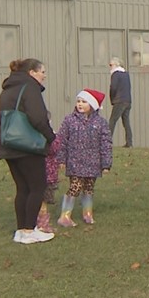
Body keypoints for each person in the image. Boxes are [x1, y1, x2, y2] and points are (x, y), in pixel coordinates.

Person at [0, 58, 56, 244]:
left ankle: (21, 230)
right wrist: (51, 137)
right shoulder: (30, 88)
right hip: (28, 146)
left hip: (9, 145)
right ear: (32, 72)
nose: (44, 76)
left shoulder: (8, 89)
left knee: (22, 188)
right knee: (37, 187)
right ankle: (30, 230)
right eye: (42, 72)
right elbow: (38, 118)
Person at [55, 89, 113, 227]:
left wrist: (106, 164)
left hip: (93, 162)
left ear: (92, 105)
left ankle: (87, 213)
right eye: (78, 101)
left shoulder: (101, 122)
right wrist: (61, 159)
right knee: (75, 186)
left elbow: (106, 143)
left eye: (84, 101)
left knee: (89, 187)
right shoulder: (69, 120)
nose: (80, 104)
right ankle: (65, 216)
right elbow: (62, 140)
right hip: (75, 161)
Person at [107, 56, 133, 147]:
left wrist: (112, 99)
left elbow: (113, 87)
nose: (110, 67)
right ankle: (129, 142)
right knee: (126, 122)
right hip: (127, 100)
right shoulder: (126, 74)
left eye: (111, 65)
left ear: (116, 65)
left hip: (119, 100)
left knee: (112, 120)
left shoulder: (115, 74)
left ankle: (107, 141)